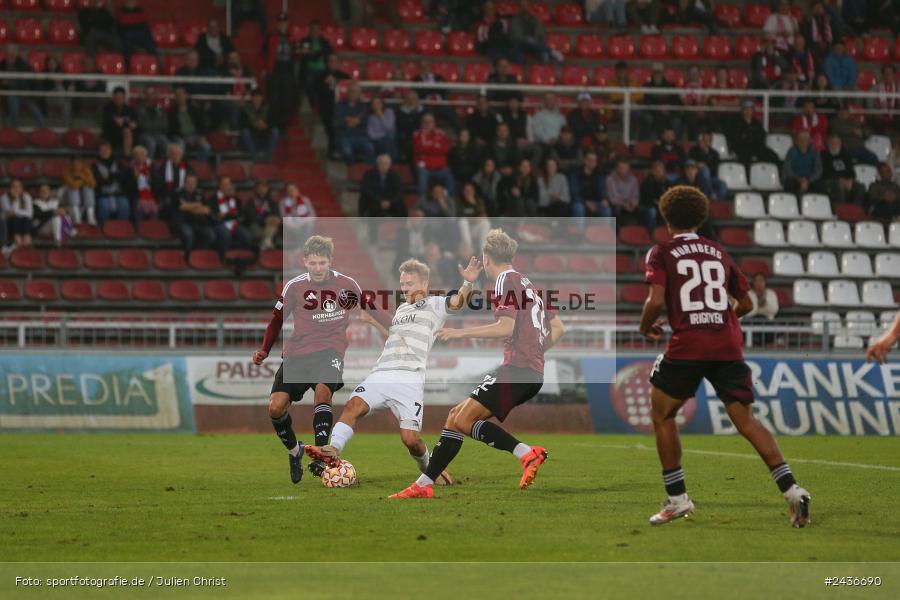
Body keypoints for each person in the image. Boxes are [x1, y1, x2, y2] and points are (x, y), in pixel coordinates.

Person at [639, 185, 810, 527]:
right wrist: (720, 316)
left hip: (688, 345)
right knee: (746, 421)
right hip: (727, 344)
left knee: (662, 414)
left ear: (666, 217)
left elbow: (656, 301)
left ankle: (677, 499)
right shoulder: (718, 251)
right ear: (700, 217)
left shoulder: (661, 252)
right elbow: (745, 303)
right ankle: (793, 491)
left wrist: (646, 326)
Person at [388, 228, 565, 498]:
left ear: (486, 257)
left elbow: (505, 327)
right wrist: (536, 354)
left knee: (463, 419)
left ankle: (526, 453)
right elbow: (559, 328)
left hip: (518, 369)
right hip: (529, 370)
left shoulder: (505, 281)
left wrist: (462, 332)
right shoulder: (529, 284)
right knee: (455, 418)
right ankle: (423, 485)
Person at [304, 256, 483, 482]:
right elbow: (394, 336)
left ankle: (429, 466)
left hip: (409, 379)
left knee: (411, 440)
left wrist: (468, 283)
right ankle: (333, 449)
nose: (405, 288)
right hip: (381, 373)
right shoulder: (401, 310)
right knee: (353, 406)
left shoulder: (436, 305)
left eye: (410, 284)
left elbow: (457, 303)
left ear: (425, 283)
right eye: (402, 284)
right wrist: (373, 323)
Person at [251, 235, 392, 483]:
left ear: (330, 261)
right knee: (275, 407)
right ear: (305, 261)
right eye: (313, 263)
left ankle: (320, 456)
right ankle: (295, 452)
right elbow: (276, 321)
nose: (318, 268)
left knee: (323, 393)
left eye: (322, 263)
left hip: (330, 350)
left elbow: (373, 309)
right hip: (297, 353)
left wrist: (398, 327)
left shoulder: (347, 284)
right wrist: (264, 349)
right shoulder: (294, 286)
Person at [359, 154, 407, 241]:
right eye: (382, 163)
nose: (384, 166)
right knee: (371, 209)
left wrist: (390, 201)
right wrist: (380, 201)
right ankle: (373, 237)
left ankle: (402, 235)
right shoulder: (369, 174)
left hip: (390, 202)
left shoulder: (395, 175)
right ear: (378, 164)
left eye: (386, 164)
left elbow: (399, 191)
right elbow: (367, 191)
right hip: (375, 201)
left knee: (401, 206)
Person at [170, 173, 214, 259]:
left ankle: (198, 256)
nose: (191, 185)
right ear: (185, 183)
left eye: (193, 183)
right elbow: (182, 207)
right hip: (183, 222)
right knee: (188, 234)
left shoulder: (199, 193)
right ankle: (187, 257)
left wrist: (189, 206)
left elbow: (207, 210)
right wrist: (197, 205)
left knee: (210, 235)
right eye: (189, 182)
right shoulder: (178, 193)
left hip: (198, 222)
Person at [0, 44, 45, 127]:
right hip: (10, 93)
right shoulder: (2, 65)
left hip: (24, 91)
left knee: (35, 109)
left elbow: (29, 79)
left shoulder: (23, 63)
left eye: (12, 52)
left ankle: (43, 128)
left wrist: (11, 81)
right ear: (5, 53)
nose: (10, 54)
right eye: (8, 52)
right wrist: (4, 83)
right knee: (12, 100)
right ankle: (17, 129)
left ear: (16, 53)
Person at [413, 113, 455, 199]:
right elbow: (419, 149)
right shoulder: (417, 134)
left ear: (434, 123)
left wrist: (428, 147)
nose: (428, 124)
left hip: (441, 167)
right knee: (422, 185)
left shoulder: (441, 133)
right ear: (422, 123)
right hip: (425, 168)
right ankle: (423, 205)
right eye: (425, 122)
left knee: (451, 182)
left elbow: (445, 149)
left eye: (430, 121)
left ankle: (450, 204)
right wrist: (435, 147)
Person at [728, 100, 781, 166]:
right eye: (746, 109)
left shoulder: (756, 123)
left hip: (755, 146)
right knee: (745, 158)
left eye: (750, 109)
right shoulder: (735, 122)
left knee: (772, 156)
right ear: (742, 110)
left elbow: (761, 135)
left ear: (753, 111)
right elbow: (734, 137)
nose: (748, 111)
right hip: (741, 146)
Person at [316, 55, 350, 157]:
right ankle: (331, 153)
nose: (332, 63)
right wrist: (325, 83)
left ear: (338, 63)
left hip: (342, 109)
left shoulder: (344, 76)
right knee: (330, 130)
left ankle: (340, 151)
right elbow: (318, 92)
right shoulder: (321, 76)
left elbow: (347, 89)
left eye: (335, 61)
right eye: (330, 61)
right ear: (327, 63)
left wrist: (334, 82)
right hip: (327, 108)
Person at [208, 176, 250, 258]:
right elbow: (212, 216)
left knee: (246, 235)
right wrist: (219, 215)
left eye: (228, 184)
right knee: (225, 234)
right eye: (224, 184)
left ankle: (242, 258)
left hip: (233, 223)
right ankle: (222, 257)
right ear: (219, 186)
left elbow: (240, 214)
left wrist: (234, 215)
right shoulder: (213, 199)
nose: (226, 186)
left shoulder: (235, 199)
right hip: (219, 224)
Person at [508, 0, 562, 64]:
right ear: (519, 7)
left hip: (534, 45)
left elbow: (540, 32)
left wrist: (534, 40)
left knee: (544, 55)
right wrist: (529, 39)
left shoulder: (534, 18)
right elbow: (517, 36)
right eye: (522, 6)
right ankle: (550, 51)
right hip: (520, 45)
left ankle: (545, 60)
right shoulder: (515, 19)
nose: (525, 7)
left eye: (526, 5)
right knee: (528, 40)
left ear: (529, 6)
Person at [333, 82, 374, 164]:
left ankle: (367, 170)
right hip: (344, 136)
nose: (353, 94)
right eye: (351, 91)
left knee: (371, 148)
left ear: (359, 94)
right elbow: (336, 122)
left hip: (360, 136)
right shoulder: (339, 106)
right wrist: (353, 121)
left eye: (356, 92)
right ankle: (352, 169)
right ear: (347, 92)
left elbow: (365, 121)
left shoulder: (363, 106)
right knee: (347, 152)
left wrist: (347, 119)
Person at [92, 140, 131, 224]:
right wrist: (113, 176)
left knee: (124, 205)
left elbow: (123, 177)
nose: (104, 152)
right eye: (102, 150)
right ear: (99, 152)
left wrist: (110, 177)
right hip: (103, 194)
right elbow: (100, 181)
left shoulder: (119, 163)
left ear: (110, 151)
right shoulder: (94, 166)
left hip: (118, 193)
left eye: (107, 150)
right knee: (104, 206)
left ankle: (122, 227)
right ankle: (104, 227)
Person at [167, 87, 210, 161]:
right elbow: (172, 129)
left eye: (181, 94)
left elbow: (202, 125)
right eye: (177, 95)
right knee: (180, 146)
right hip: (180, 137)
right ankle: (183, 167)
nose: (180, 97)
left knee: (206, 146)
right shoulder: (172, 112)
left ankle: (199, 167)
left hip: (196, 136)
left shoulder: (195, 110)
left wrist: (202, 136)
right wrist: (185, 138)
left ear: (186, 95)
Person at [821, 133, 865, 204]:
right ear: (828, 144)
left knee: (861, 187)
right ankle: (841, 209)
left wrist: (850, 179)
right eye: (832, 143)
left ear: (840, 143)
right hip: (830, 181)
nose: (834, 145)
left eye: (836, 143)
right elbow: (825, 172)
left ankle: (855, 209)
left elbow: (851, 171)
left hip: (845, 180)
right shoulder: (823, 155)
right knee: (838, 185)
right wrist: (840, 179)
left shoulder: (845, 154)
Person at [239, 89, 280, 162]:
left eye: (259, 97)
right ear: (251, 98)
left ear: (262, 98)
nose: (257, 99)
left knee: (275, 131)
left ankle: (268, 157)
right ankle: (254, 157)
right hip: (252, 137)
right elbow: (242, 124)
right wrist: (255, 124)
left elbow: (274, 122)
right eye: (255, 97)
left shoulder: (268, 108)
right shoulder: (246, 109)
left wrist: (266, 125)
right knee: (244, 132)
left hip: (264, 136)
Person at [570, 151, 607, 227]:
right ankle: (580, 235)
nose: (592, 162)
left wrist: (604, 198)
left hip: (596, 201)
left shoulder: (599, 174)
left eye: (594, 160)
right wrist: (586, 202)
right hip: (580, 201)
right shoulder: (576, 174)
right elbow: (574, 193)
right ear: (585, 161)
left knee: (606, 209)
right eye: (590, 160)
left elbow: (602, 189)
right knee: (579, 208)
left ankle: (604, 234)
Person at [117, 0, 157, 66]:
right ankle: (128, 66)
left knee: (150, 42)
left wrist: (130, 19)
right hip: (127, 34)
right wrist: (136, 19)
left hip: (140, 34)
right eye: (129, 1)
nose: (131, 2)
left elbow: (144, 20)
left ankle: (155, 63)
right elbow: (123, 21)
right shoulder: (121, 10)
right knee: (126, 43)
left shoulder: (140, 9)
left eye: (133, 1)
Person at [782, 131, 823, 195]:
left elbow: (818, 170)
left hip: (810, 179)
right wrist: (799, 179)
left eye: (805, 140)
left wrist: (808, 180)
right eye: (800, 140)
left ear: (809, 141)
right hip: (795, 179)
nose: (803, 142)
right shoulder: (791, 152)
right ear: (797, 141)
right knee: (789, 184)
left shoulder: (814, 152)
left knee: (820, 185)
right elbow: (787, 168)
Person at [136, 87, 171, 159]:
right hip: (144, 135)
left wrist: (152, 124)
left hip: (158, 134)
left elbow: (165, 124)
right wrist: (156, 124)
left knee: (166, 142)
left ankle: (166, 166)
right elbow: (142, 125)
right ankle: (148, 165)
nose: (150, 95)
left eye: (152, 93)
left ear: (155, 95)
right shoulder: (139, 108)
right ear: (144, 95)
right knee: (151, 143)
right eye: (148, 93)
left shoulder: (160, 108)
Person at [457, 181, 491, 256]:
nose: (468, 192)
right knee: (463, 222)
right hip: (464, 230)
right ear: (463, 192)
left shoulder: (479, 201)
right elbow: (460, 217)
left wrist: (473, 203)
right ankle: (468, 248)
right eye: (466, 190)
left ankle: (483, 251)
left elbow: (483, 215)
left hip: (475, 228)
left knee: (486, 223)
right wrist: (474, 219)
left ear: (474, 191)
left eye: (470, 190)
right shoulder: (459, 202)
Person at [102, 87, 138, 156]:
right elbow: (111, 122)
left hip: (127, 134)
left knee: (127, 131)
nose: (119, 99)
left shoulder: (129, 109)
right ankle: (126, 156)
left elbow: (134, 124)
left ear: (124, 97)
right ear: (113, 97)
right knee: (126, 130)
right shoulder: (107, 108)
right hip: (111, 133)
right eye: (117, 96)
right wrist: (126, 122)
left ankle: (127, 156)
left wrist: (125, 122)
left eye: (121, 97)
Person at [62, 156, 97, 225]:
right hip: (69, 197)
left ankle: (91, 217)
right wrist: (82, 180)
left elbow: (93, 184)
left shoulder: (86, 170)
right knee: (73, 190)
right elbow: (74, 185)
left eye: (79, 163)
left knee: (88, 189)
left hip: (83, 197)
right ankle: (76, 218)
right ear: (72, 164)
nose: (77, 165)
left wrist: (83, 177)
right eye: (75, 163)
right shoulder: (67, 171)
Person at [128, 145, 158, 224]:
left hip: (151, 194)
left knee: (154, 210)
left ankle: (152, 231)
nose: (139, 157)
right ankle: (138, 230)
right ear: (133, 157)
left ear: (146, 156)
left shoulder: (152, 166)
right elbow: (128, 187)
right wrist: (135, 179)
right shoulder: (130, 168)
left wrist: (149, 179)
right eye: (137, 155)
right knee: (138, 207)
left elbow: (158, 184)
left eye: (142, 155)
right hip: (136, 195)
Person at [1, 180, 34, 248]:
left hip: (24, 223)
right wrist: (15, 199)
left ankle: (26, 240)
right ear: (10, 188)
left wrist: (16, 212)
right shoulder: (4, 198)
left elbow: (30, 214)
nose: (16, 188)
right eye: (14, 186)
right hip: (9, 224)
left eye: (18, 186)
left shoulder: (26, 197)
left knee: (25, 219)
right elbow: (10, 214)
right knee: (16, 218)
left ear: (22, 188)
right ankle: (18, 240)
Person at [638, 160, 669, 232]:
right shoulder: (647, 182)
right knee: (652, 211)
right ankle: (651, 233)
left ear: (664, 171)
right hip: (647, 206)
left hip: (660, 206)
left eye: (660, 170)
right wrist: (658, 203)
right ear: (653, 171)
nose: (658, 172)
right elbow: (646, 199)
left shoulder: (666, 183)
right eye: (656, 170)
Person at [366, 96, 397, 161]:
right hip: (377, 140)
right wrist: (382, 135)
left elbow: (389, 127)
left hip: (388, 138)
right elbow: (370, 134)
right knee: (382, 142)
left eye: (378, 103)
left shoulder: (389, 112)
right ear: (371, 105)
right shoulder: (370, 116)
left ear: (382, 104)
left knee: (389, 139)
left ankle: (388, 162)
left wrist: (381, 116)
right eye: (374, 103)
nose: (376, 105)